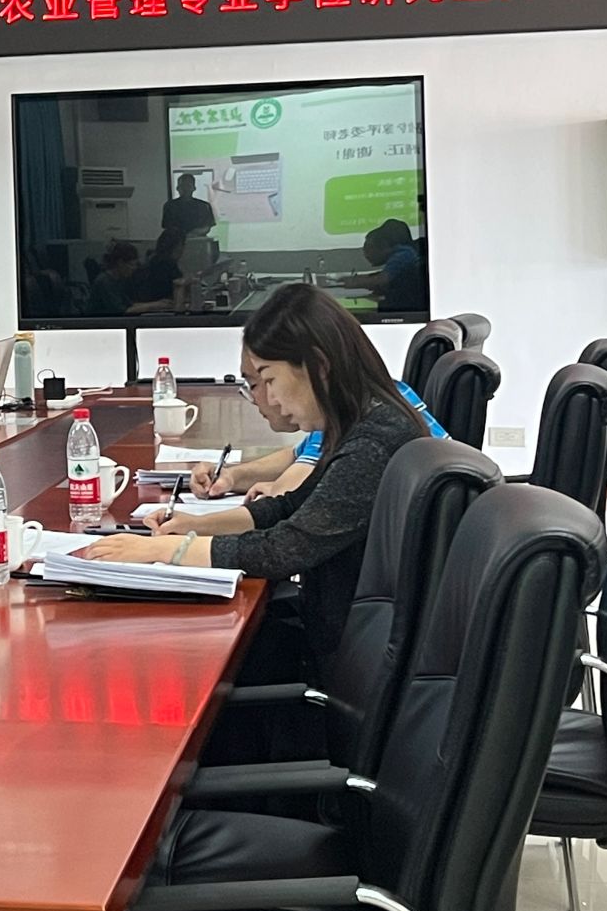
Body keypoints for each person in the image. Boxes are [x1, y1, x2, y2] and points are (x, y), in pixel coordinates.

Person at [86, 283, 430, 680]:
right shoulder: (362, 422)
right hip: (338, 635)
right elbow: (289, 507)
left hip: (340, 662)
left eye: (269, 379)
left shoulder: (372, 443)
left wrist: (165, 550)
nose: (269, 399)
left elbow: (285, 549)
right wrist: (197, 526)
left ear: (318, 366)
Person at [190, 346, 447, 499]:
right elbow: (296, 455)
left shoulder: (355, 418)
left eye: (266, 381)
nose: (266, 397)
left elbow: (288, 493)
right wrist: (232, 476)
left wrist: (182, 538)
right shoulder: (375, 393)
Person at [341, 219, 428, 313]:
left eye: (369, 248)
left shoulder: (403, 254)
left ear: (384, 245)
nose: (365, 254)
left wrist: (353, 282)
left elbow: (382, 280)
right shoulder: (407, 253)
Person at [125, 228, 186, 312]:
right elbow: (176, 292)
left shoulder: (152, 260)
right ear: (176, 247)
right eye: (182, 245)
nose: (183, 249)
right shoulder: (167, 266)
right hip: (159, 308)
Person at [87, 242, 139, 317]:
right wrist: (152, 307)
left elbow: (130, 305)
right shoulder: (105, 282)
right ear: (120, 263)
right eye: (132, 265)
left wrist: (154, 305)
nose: (134, 268)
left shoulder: (119, 281)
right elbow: (121, 311)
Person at [161, 171, 216, 237]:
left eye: (188, 186)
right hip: (176, 241)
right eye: (183, 186)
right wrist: (182, 236)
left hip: (199, 240)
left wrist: (192, 234)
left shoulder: (204, 206)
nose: (186, 189)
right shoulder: (169, 206)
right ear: (177, 188)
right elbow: (168, 226)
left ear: (194, 188)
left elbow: (207, 227)